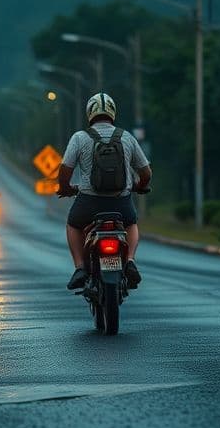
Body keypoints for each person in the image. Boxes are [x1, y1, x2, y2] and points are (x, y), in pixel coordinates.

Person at [56, 92, 151, 291]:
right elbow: (146, 172)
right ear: (113, 113)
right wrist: (140, 186)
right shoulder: (126, 137)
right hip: (121, 203)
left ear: (89, 114)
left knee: (73, 224)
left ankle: (80, 268)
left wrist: (65, 188)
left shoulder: (79, 138)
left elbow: (65, 170)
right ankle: (131, 260)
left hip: (88, 203)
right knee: (131, 223)